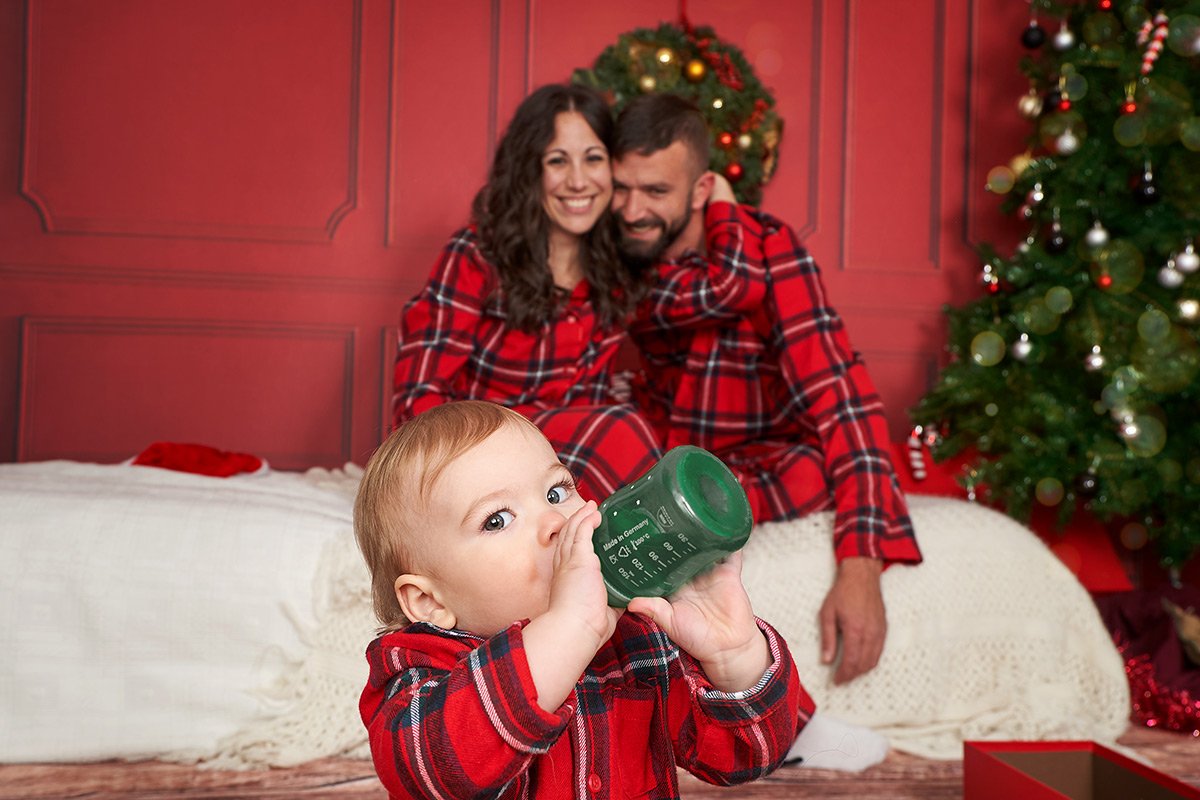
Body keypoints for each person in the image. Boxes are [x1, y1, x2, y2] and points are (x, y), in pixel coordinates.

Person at [610, 93, 923, 689]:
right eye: (621, 188)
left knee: (810, 471)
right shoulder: (617, 255)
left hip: (758, 461)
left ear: (702, 189)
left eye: (654, 192)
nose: (630, 210)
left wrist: (861, 563)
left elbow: (841, 396)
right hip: (661, 454)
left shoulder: (766, 249)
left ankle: (772, 702)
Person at [353, 399, 810, 798]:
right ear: (430, 602)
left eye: (556, 491)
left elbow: (748, 756)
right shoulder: (420, 673)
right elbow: (437, 770)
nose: (554, 520)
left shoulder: (635, 641)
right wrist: (570, 629)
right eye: (497, 520)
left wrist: (735, 655)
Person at [391, 82, 761, 504]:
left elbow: (731, 287)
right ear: (530, 169)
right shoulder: (479, 255)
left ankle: (637, 554)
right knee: (619, 430)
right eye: (557, 161)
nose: (579, 181)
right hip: (476, 458)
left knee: (643, 445)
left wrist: (721, 199)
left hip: (565, 467)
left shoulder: (620, 268)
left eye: (593, 159)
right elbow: (416, 399)